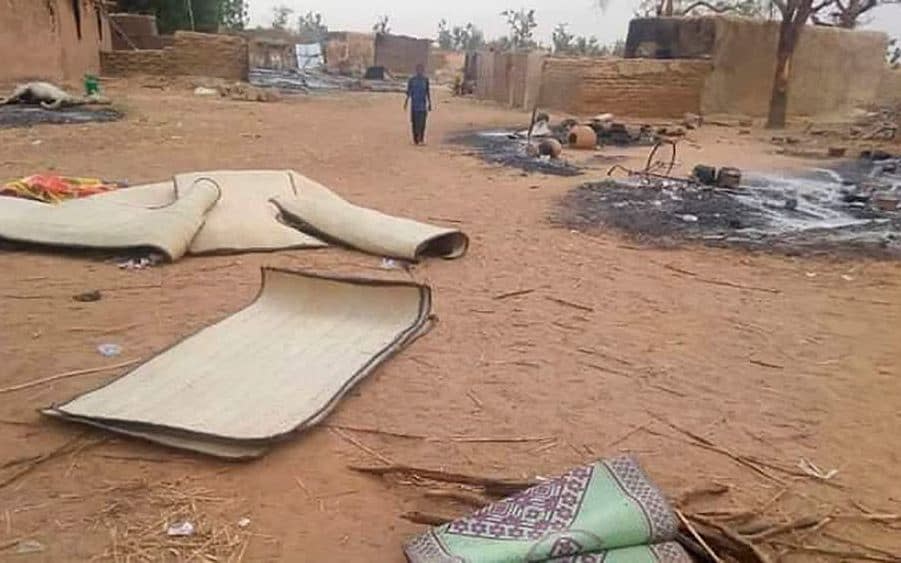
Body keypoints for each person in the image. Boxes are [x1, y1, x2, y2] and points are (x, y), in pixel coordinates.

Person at [404, 64, 431, 145]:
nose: (420, 71)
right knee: (415, 123)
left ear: (423, 71)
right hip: (414, 105)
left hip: (423, 105)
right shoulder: (412, 80)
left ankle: (421, 139)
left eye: (421, 70)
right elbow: (408, 92)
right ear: (416, 70)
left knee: (422, 123)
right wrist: (405, 103)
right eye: (418, 70)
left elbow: (427, 92)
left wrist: (430, 103)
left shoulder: (425, 80)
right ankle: (415, 139)